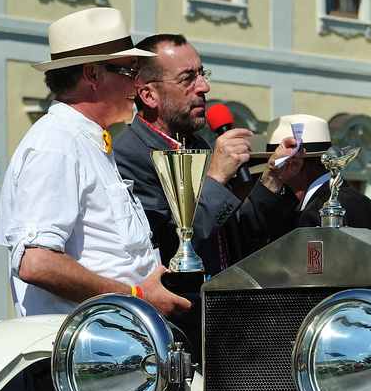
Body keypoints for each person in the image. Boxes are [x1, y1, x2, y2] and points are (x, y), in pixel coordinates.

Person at [0, 8, 191, 320]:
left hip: (108, 351)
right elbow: (37, 263)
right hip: (85, 358)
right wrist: (138, 297)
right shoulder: (57, 145)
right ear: (92, 75)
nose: (139, 83)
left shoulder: (84, 142)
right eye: (130, 70)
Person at [113, 34, 307, 274]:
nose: (204, 87)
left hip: (223, 303)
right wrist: (215, 178)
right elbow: (168, 250)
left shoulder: (198, 145)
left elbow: (238, 241)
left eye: (203, 74)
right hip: (181, 308)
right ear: (148, 95)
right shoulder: (128, 156)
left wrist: (273, 179)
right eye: (187, 79)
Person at [269, 115, 371, 230]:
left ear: (301, 169)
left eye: (279, 170)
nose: (277, 181)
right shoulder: (369, 206)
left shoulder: (317, 213)